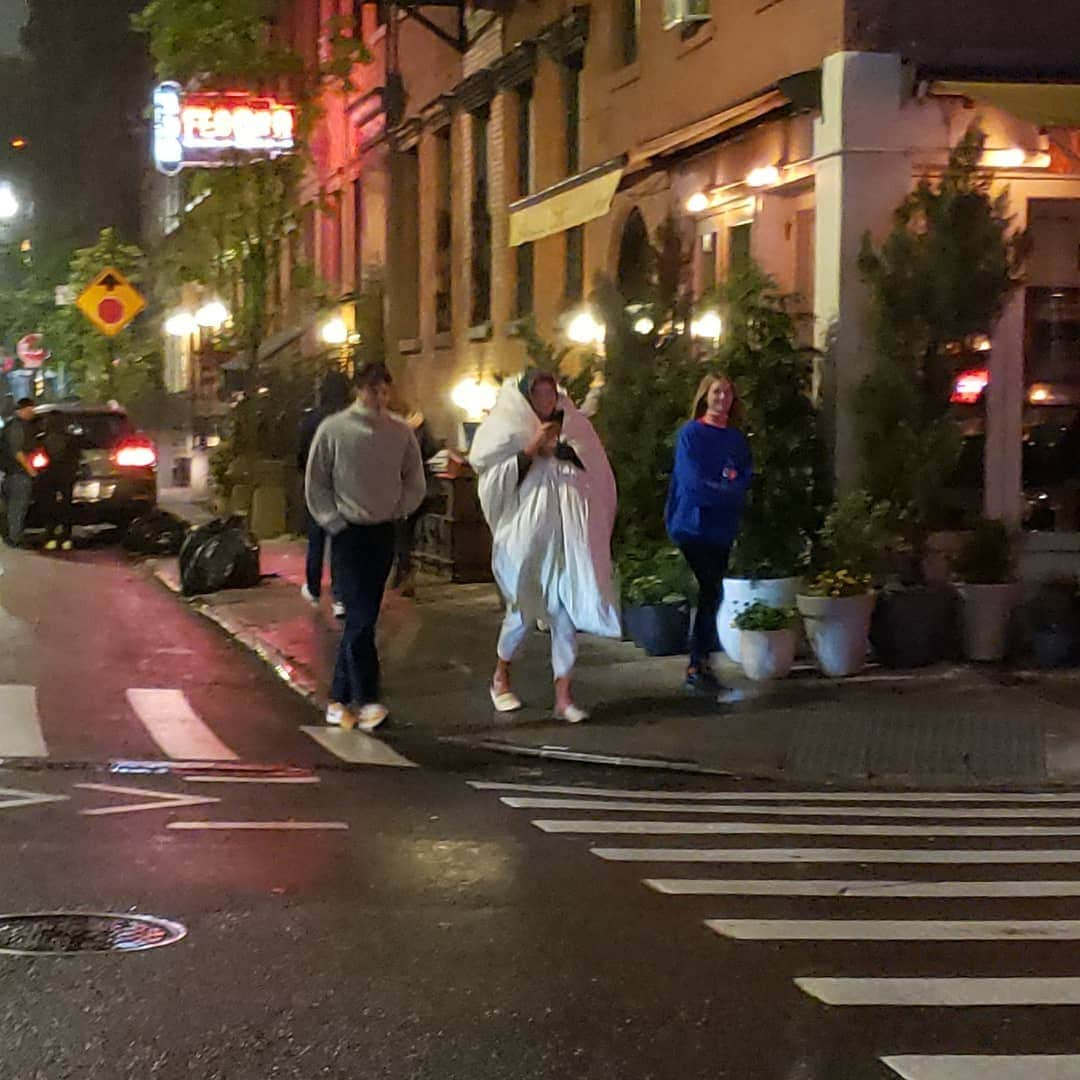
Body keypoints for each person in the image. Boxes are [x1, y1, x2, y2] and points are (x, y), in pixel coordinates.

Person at [469, 370, 621, 723]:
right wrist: (533, 447)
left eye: (550, 392)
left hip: (567, 536)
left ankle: (563, 696)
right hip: (529, 537)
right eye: (538, 393)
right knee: (522, 612)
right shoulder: (509, 426)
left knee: (564, 614)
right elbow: (494, 479)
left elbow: (593, 466)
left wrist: (562, 452)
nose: (546, 399)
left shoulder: (573, 423)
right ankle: (500, 675)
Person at [305, 362, 427, 731]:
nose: (378, 396)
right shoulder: (334, 430)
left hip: (381, 530)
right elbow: (317, 481)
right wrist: (334, 522)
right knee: (358, 615)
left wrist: (399, 511)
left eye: (383, 389)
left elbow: (415, 480)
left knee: (365, 615)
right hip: (349, 532)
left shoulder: (400, 432)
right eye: (372, 389)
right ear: (359, 390)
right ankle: (368, 697)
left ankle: (339, 698)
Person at [665, 373, 753, 693]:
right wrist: (724, 491)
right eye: (717, 392)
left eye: (727, 392)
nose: (722, 398)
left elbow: (743, 478)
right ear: (705, 396)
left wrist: (729, 491)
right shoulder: (692, 434)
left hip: (721, 528)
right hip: (694, 524)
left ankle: (701, 661)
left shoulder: (735, 439)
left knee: (712, 593)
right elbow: (692, 482)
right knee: (707, 589)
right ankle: (696, 662)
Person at [297, 371, 352, 618]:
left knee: (316, 537)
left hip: (318, 485)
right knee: (341, 540)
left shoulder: (312, 420)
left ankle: (314, 587)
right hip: (344, 485)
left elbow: (300, 454)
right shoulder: (350, 419)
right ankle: (340, 596)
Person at [388, 392, 439, 598]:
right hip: (423, 487)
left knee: (401, 532)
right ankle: (404, 573)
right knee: (406, 532)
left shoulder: (395, 429)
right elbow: (433, 449)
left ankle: (404, 573)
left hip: (402, 487)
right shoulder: (421, 426)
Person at [2, 398, 39, 548]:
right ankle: (14, 538)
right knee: (17, 506)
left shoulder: (14, 425)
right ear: (22, 410)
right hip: (17, 474)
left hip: (12, 473)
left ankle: (13, 535)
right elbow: (17, 451)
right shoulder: (17, 427)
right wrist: (31, 470)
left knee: (15, 507)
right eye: (30, 410)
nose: (32, 413)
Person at [40, 411, 80, 551]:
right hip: (67, 476)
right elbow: (77, 457)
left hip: (49, 476)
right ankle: (66, 538)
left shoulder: (43, 439)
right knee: (67, 506)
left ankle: (50, 537)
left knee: (50, 506)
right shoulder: (71, 439)